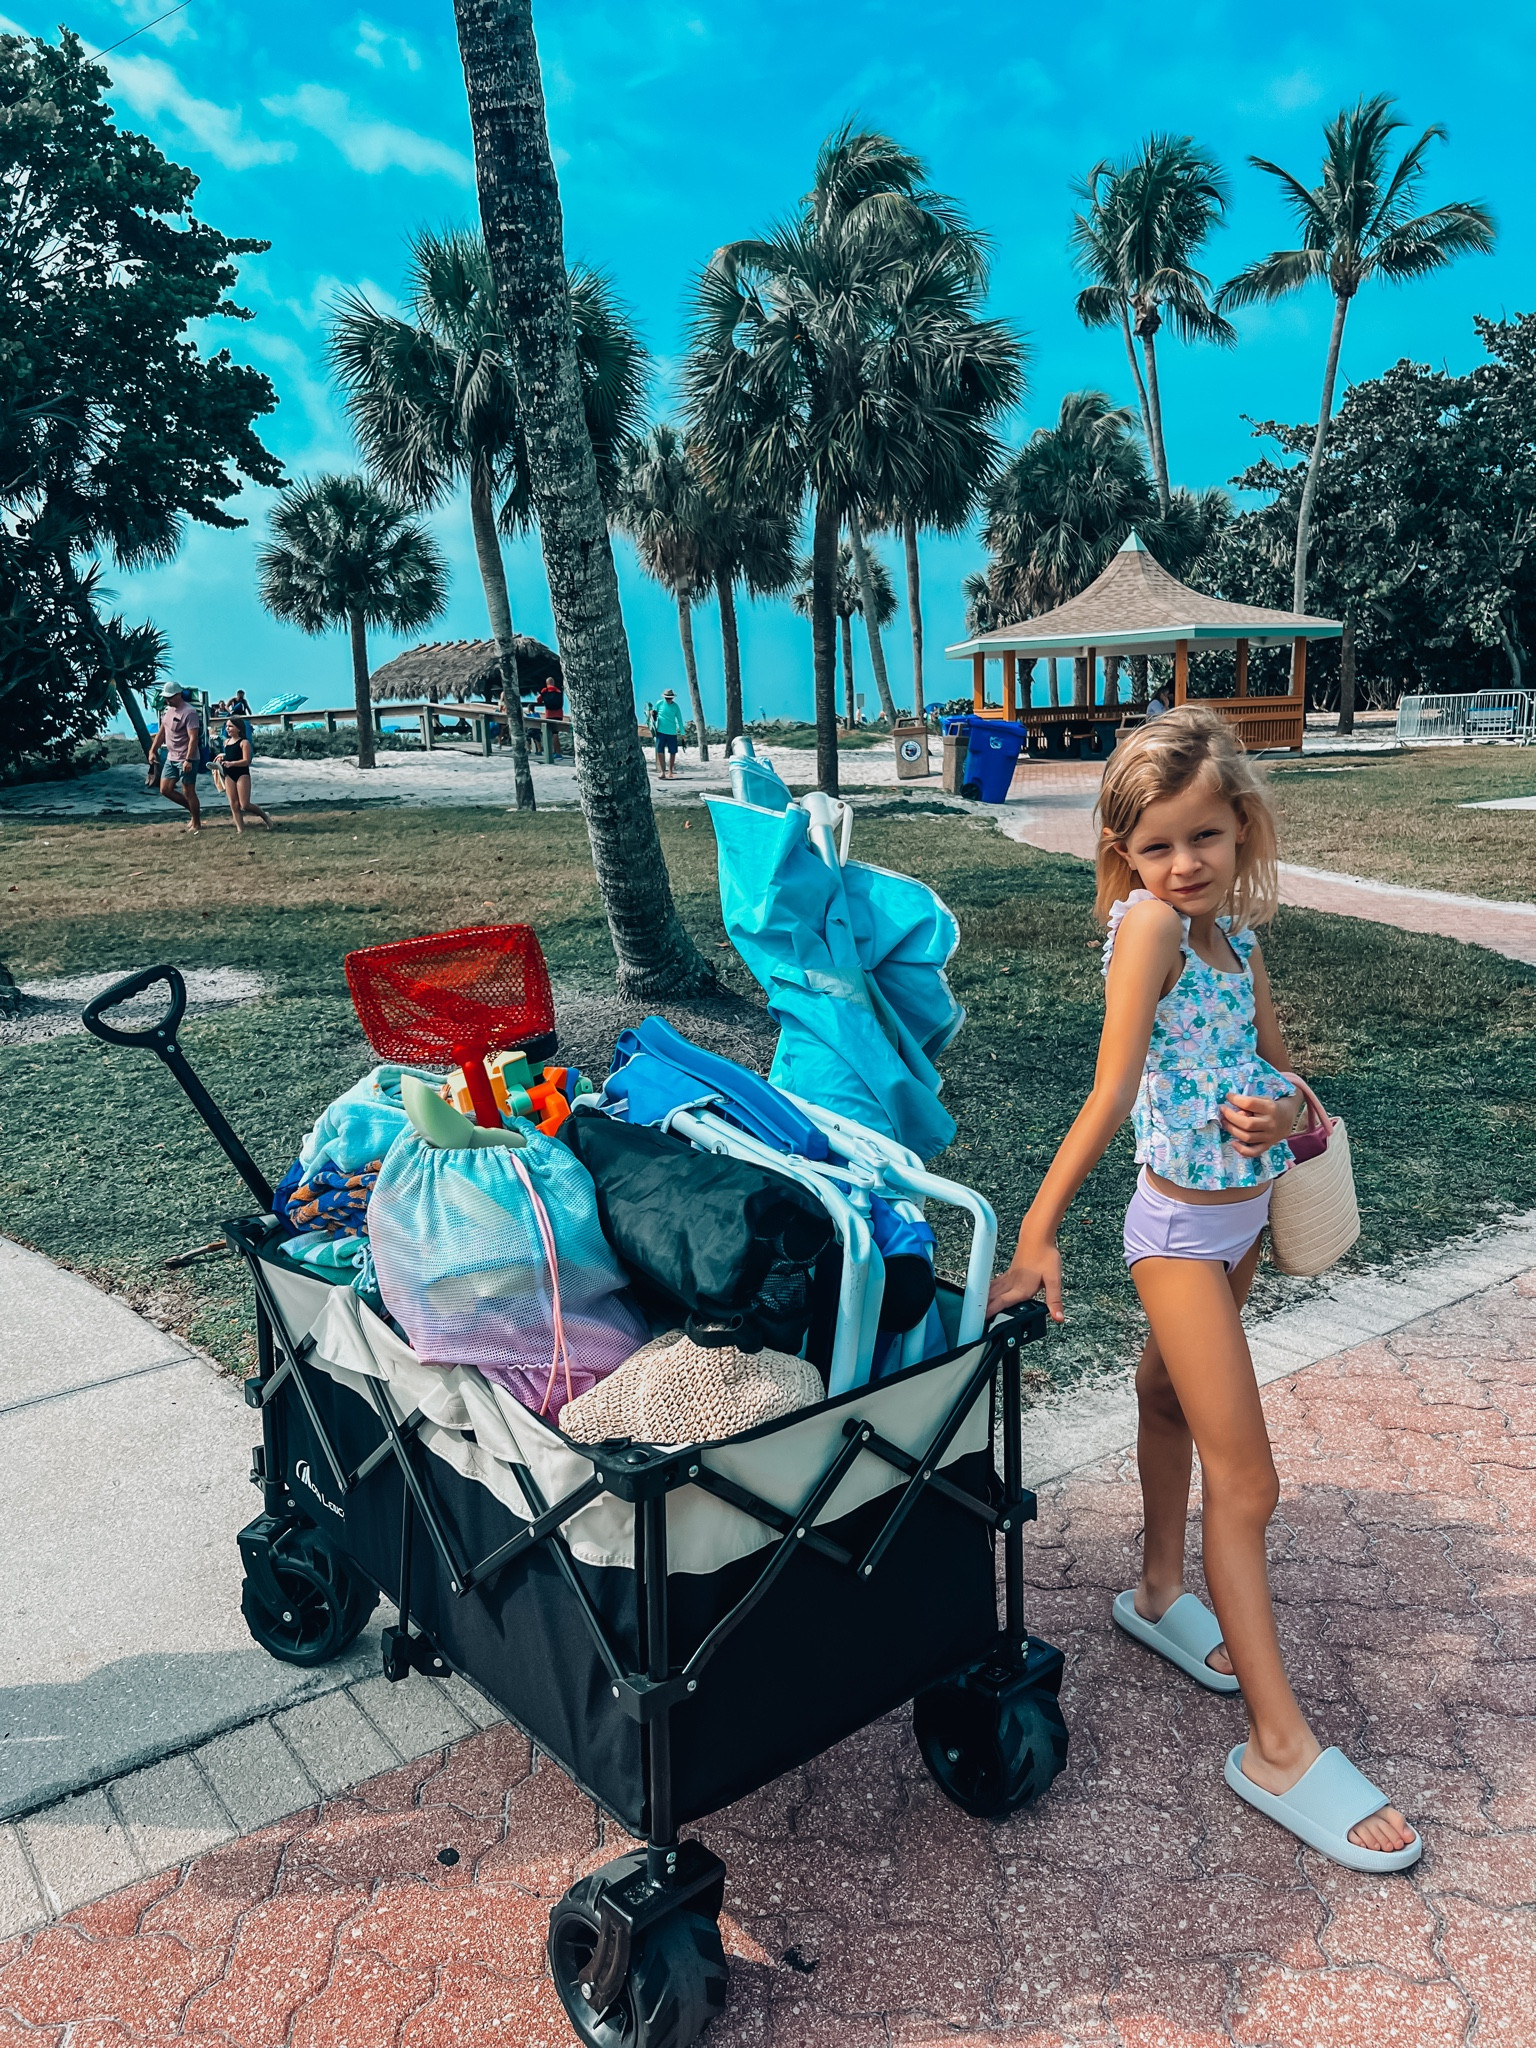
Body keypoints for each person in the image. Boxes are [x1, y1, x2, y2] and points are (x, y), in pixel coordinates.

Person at [987, 707, 1420, 1875]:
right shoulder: (1151, 930)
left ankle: (1158, 1586)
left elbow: (1280, 1067)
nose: (1184, 863)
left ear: (1242, 830)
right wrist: (1036, 1232)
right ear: (1124, 853)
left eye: (1205, 837)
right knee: (1250, 1479)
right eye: (1158, 844)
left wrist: (1284, 1110)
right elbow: (1110, 1088)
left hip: (1241, 1223)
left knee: (1167, 1397)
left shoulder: (1238, 939)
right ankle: (1278, 1744)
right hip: (1178, 1233)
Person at [156, 682, 204, 832]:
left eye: (170, 697)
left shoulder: (189, 712)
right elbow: (162, 732)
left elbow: (193, 738)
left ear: (178, 695)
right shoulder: (168, 711)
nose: (167, 700)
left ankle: (196, 822)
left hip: (186, 757)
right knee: (165, 789)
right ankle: (193, 811)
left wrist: (188, 759)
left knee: (188, 791)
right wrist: (153, 750)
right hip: (171, 757)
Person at [215, 717, 274, 833]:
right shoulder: (226, 742)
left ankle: (265, 816)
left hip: (242, 774)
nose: (227, 729)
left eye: (230, 726)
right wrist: (222, 758)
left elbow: (246, 761)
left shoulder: (244, 742)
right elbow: (229, 755)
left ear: (238, 728)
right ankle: (240, 830)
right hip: (229, 774)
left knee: (245, 804)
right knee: (234, 804)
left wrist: (232, 763)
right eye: (226, 726)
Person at [651, 687, 685, 778]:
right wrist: (651, 713)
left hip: (672, 732)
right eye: (666, 698)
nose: (668, 700)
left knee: (672, 752)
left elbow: (680, 720)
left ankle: (670, 771)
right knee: (660, 751)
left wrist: (683, 733)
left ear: (673, 698)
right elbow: (654, 716)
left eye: (670, 698)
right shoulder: (659, 703)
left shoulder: (675, 706)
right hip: (660, 731)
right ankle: (662, 771)